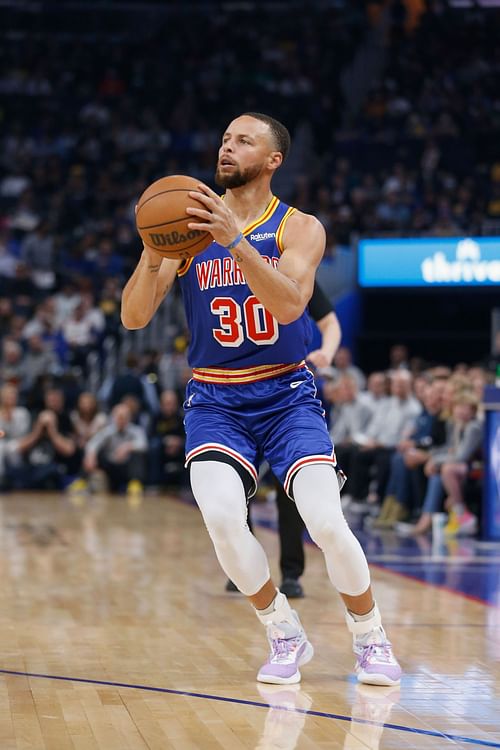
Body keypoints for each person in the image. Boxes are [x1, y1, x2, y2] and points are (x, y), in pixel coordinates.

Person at [121, 112, 401, 686]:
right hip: (216, 398)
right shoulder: (188, 230)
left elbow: (291, 306)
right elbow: (133, 317)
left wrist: (236, 242)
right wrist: (154, 251)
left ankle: (369, 636)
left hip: (286, 394)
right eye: (225, 138)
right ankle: (283, 631)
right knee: (223, 517)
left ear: (273, 160)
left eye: (243, 141)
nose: (228, 147)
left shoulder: (299, 228)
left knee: (325, 520)